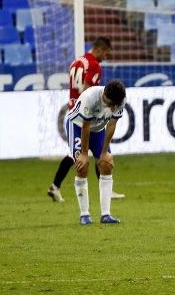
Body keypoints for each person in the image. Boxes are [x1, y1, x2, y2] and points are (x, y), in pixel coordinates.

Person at [47, 38, 125, 202]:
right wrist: (91, 107)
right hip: (85, 114)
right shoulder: (94, 65)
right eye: (106, 52)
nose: (106, 56)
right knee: (94, 154)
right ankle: (90, 197)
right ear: (99, 49)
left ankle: (55, 186)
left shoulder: (77, 61)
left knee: (86, 154)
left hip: (73, 111)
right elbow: (88, 88)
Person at [65, 80, 127, 225]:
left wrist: (105, 152)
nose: (112, 107)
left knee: (106, 164)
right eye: (110, 103)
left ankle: (106, 214)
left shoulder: (121, 99)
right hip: (78, 127)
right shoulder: (91, 97)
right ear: (104, 94)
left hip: (98, 129)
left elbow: (112, 124)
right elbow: (85, 127)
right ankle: (84, 214)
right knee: (83, 166)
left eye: (115, 105)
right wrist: (84, 154)